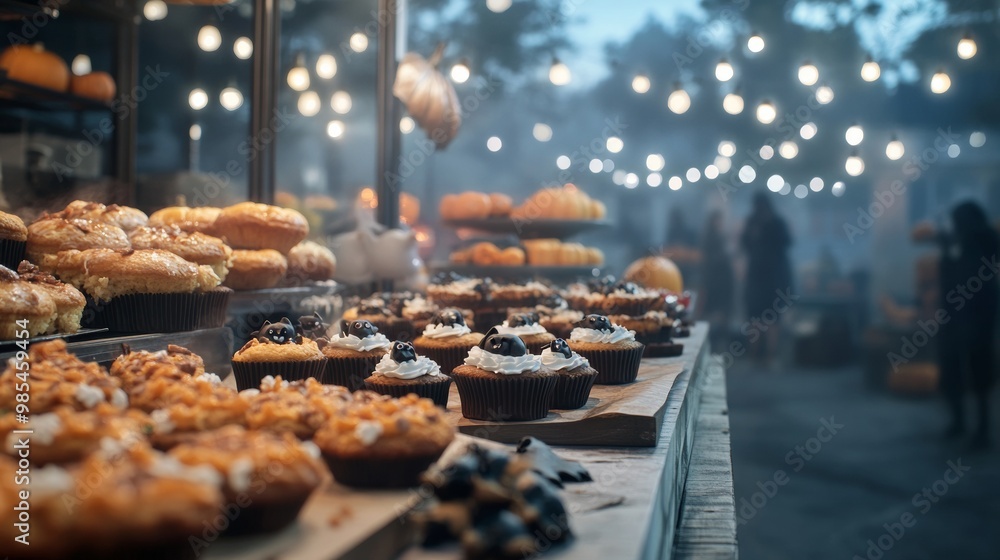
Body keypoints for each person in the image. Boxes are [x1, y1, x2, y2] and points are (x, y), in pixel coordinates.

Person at [936, 201, 998, 448]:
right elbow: (948, 274)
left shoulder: (984, 237)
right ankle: (959, 422)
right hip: (956, 313)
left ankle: (981, 429)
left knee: (979, 371)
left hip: (979, 312)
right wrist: (946, 248)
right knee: (953, 368)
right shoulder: (959, 242)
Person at [740, 192, 793, 363]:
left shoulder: (757, 223)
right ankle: (766, 355)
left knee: (758, 318)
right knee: (769, 319)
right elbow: (787, 243)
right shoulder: (775, 222)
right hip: (769, 278)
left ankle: (757, 355)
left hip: (762, 278)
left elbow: (744, 245)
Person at [698, 210, 735, 347]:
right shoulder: (712, 238)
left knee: (720, 311)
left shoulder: (718, 237)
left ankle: (716, 341)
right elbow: (713, 259)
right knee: (714, 311)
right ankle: (712, 340)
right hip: (716, 280)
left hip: (722, 280)